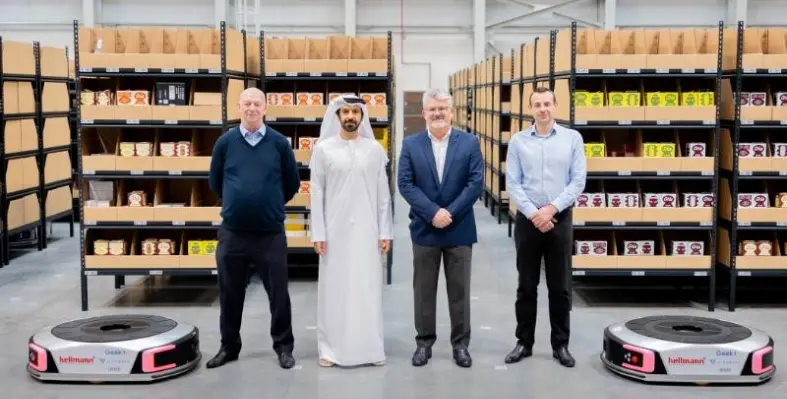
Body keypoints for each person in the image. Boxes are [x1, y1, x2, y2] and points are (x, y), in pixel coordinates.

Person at [207, 87, 301, 370]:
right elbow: (215, 182)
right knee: (230, 292)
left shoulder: (279, 143)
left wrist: (266, 203)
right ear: (238, 108)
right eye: (246, 103)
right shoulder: (225, 143)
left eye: (256, 104)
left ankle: (284, 347)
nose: (251, 108)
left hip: (269, 233)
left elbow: (292, 183)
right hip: (233, 232)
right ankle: (229, 347)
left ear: (265, 108)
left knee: (279, 294)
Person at [397, 88, 483, 368]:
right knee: (423, 290)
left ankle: (461, 345)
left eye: (442, 109)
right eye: (432, 109)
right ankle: (424, 343)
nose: (437, 114)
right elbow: (405, 184)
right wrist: (433, 213)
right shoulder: (411, 145)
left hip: (459, 228)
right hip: (425, 228)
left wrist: (450, 212)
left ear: (451, 112)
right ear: (423, 113)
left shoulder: (470, 143)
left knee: (459, 290)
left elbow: (475, 184)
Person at [503, 86, 587, 368]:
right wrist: (533, 213)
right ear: (531, 109)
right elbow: (512, 183)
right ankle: (523, 342)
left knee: (560, 287)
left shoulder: (572, 139)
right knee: (526, 286)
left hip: (559, 219)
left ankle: (560, 344)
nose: (543, 109)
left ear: (555, 106)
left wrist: (551, 209)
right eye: (537, 104)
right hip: (528, 221)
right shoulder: (517, 142)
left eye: (547, 103)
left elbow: (577, 181)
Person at [309, 95, 393, 368]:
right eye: (345, 111)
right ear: (337, 116)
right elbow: (317, 194)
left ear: (362, 116)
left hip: (368, 233)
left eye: (355, 112)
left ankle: (371, 349)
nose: (350, 117)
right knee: (334, 291)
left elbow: (384, 196)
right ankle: (330, 349)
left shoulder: (374, 150)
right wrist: (318, 234)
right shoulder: (323, 150)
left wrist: (385, 232)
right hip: (334, 234)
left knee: (367, 288)